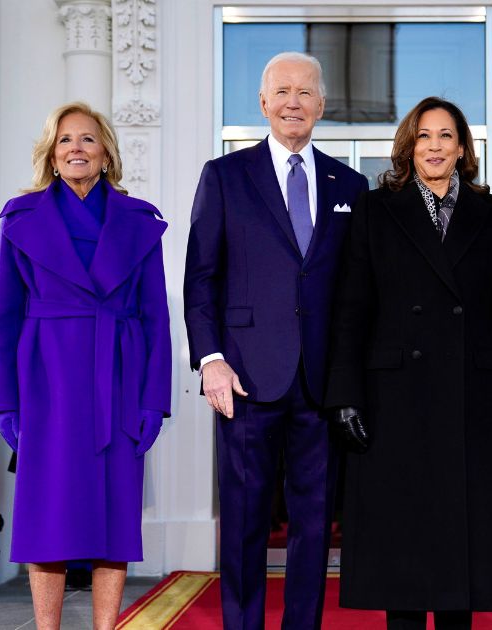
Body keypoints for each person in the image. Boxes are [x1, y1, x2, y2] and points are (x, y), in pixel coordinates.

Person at [324, 96, 492, 630]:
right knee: (404, 544)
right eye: (423, 136)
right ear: (408, 148)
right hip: (394, 396)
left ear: (463, 147)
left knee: (460, 543)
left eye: (445, 136)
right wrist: (344, 395)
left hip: (470, 394)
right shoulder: (376, 208)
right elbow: (352, 307)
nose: (434, 146)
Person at [183, 51, 367, 630]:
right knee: (243, 522)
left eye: (305, 92)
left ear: (322, 105)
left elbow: (357, 289)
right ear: (263, 103)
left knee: (315, 525)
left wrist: (351, 376)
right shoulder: (225, 176)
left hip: (320, 382)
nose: (294, 102)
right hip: (244, 377)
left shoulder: (350, 184)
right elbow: (201, 276)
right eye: (282, 92)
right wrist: (210, 359)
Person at [0, 102, 171, 630]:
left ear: (108, 153)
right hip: (47, 382)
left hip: (119, 377)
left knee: (113, 519)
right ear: (51, 153)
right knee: (48, 519)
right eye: (65, 140)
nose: (76, 149)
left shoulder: (140, 221)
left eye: (88, 139)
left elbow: (157, 317)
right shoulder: (21, 218)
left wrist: (154, 401)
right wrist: (4, 402)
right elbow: (4, 316)